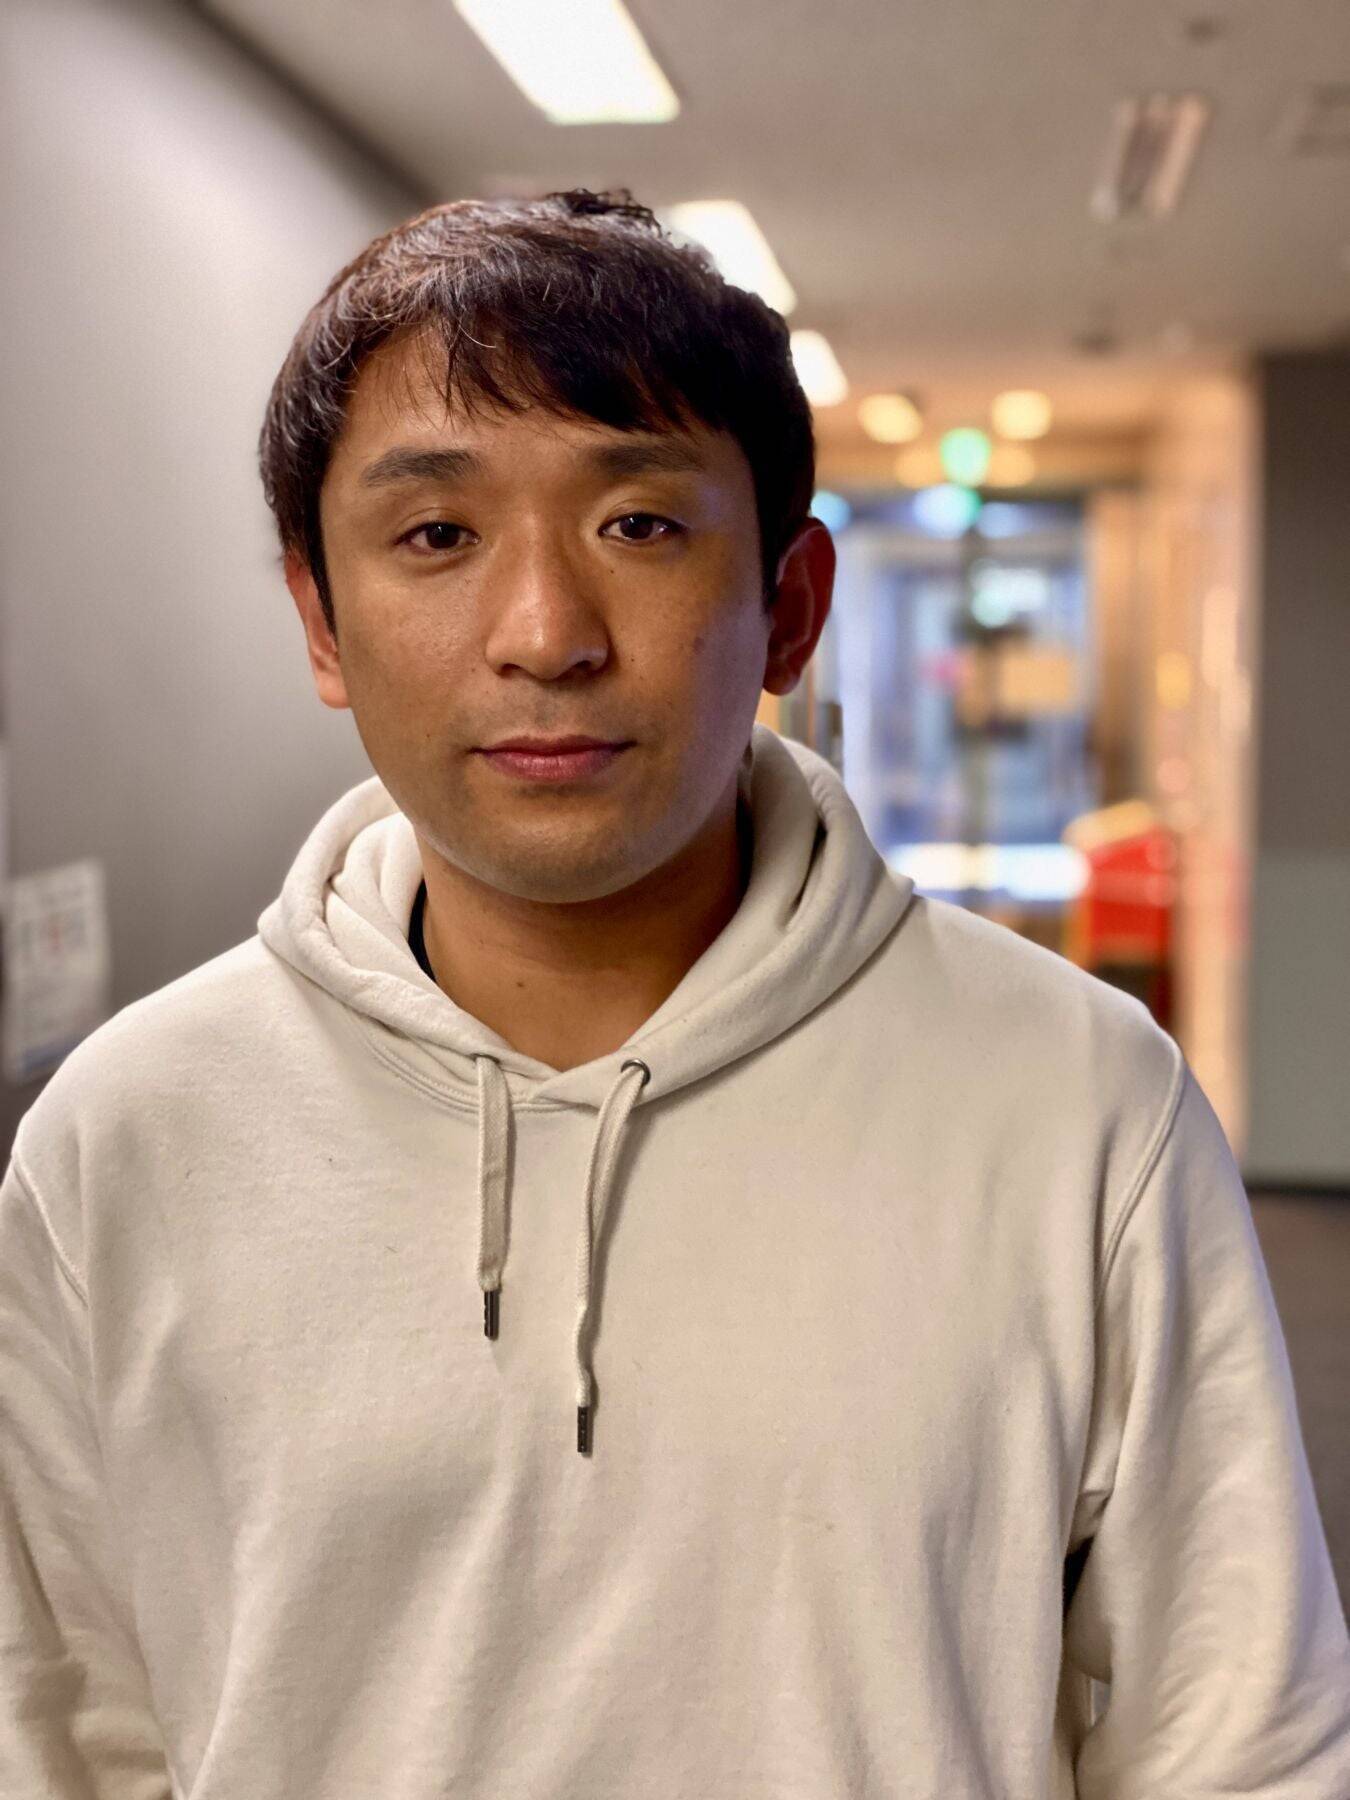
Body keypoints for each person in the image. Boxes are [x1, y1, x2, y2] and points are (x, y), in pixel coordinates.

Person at [1, 188, 1347, 1800]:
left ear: (789, 606)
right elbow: (62, 1731)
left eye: (638, 524)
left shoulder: (1075, 1099)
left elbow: (1234, 1742)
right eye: (436, 536)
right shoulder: (129, 1136)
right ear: (323, 619)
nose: (543, 634)